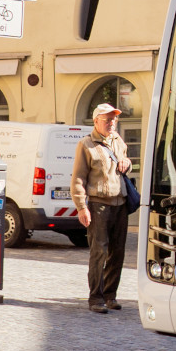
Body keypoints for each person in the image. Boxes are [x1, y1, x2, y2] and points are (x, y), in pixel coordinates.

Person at [72, 101, 132, 312]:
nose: (112, 123)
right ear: (96, 121)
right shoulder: (86, 145)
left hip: (120, 204)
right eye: (107, 119)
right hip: (99, 205)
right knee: (99, 252)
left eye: (114, 119)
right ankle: (95, 298)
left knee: (118, 252)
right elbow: (78, 178)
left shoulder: (118, 141)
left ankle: (110, 295)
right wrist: (82, 207)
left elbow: (125, 161)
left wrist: (127, 163)